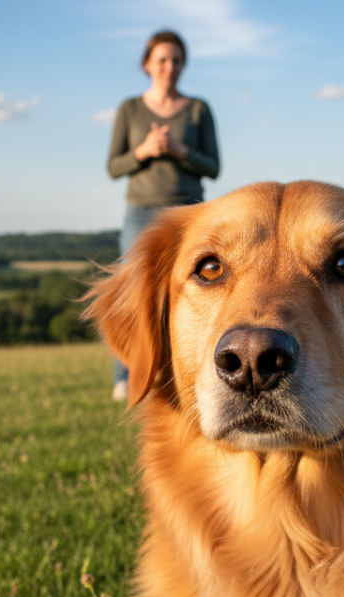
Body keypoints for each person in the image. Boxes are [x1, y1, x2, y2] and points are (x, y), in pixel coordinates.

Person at [107, 30, 219, 401]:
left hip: (188, 212)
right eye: (162, 60)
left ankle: (190, 371)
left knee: (193, 294)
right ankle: (127, 375)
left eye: (176, 60)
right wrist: (144, 150)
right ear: (147, 65)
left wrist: (179, 149)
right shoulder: (130, 109)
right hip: (140, 210)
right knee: (133, 292)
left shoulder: (198, 109)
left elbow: (213, 166)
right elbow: (113, 166)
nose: (170, 67)